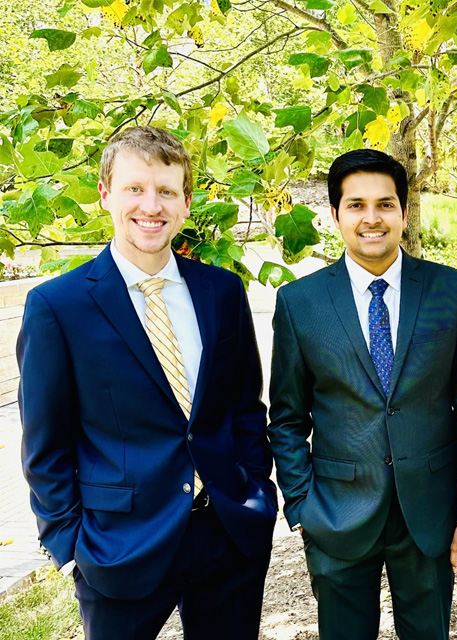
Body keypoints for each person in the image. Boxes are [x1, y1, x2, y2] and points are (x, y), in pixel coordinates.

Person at [18, 126, 277, 639]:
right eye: (135, 188)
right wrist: (69, 548)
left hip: (227, 533)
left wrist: (257, 495)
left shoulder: (222, 291)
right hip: (119, 546)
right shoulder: (58, 306)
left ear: (185, 203)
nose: (151, 206)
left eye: (166, 191)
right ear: (105, 194)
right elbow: (45, 445)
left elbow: (245, 406)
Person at [267, 149, 457, 640]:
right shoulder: (299, 303)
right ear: (335, 214)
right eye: (356, 205)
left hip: (428, 515)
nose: (372, 218)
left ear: (404, 213)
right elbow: (286, 417)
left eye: (385, 204)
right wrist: (301, 503)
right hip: (336, 513)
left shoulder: (448, 290)